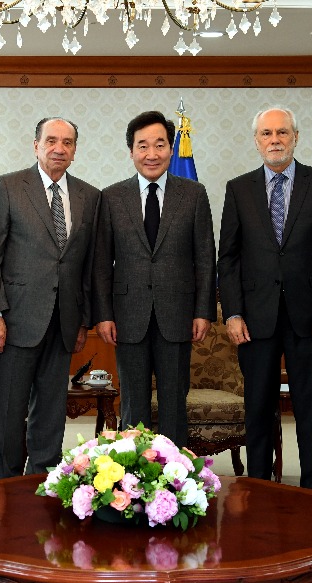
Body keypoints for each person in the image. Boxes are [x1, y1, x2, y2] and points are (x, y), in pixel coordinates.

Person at [217, 106, 312, 494]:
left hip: (310, 317)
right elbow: (229, 256)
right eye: (267, 134)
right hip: (255, 318)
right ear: (257, 141)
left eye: (282, 133)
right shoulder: (238, 188)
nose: (275, 140)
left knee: (309, 406)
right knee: (258, 406)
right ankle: (259, 487)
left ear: (295, 137)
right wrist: (233, 312)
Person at [0, 117, 101, 478]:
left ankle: (41, 477)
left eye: (67, 142)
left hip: (64, 321)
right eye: (51, 140)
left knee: (51, 408)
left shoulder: (89, 196)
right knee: (8, 407)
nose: (59, 148)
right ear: (36, 145)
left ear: (75, 150)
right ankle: (5, 481)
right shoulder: (7, 187)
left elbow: (88, 265)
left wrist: (83, 320)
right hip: (15, 318)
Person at [92, 110, 216, 446]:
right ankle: (134, 481)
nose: (151, 154)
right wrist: (103, 314)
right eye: (142, 146)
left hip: (177, 314)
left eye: (160, 145)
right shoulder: (112, 197)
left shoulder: (193, 194)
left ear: (171, 150)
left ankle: (176, 479)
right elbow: (102, 262)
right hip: (127, 315)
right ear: (130, 151)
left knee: (175, 401)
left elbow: (205, 258)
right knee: (133, 403)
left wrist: (203, 311)